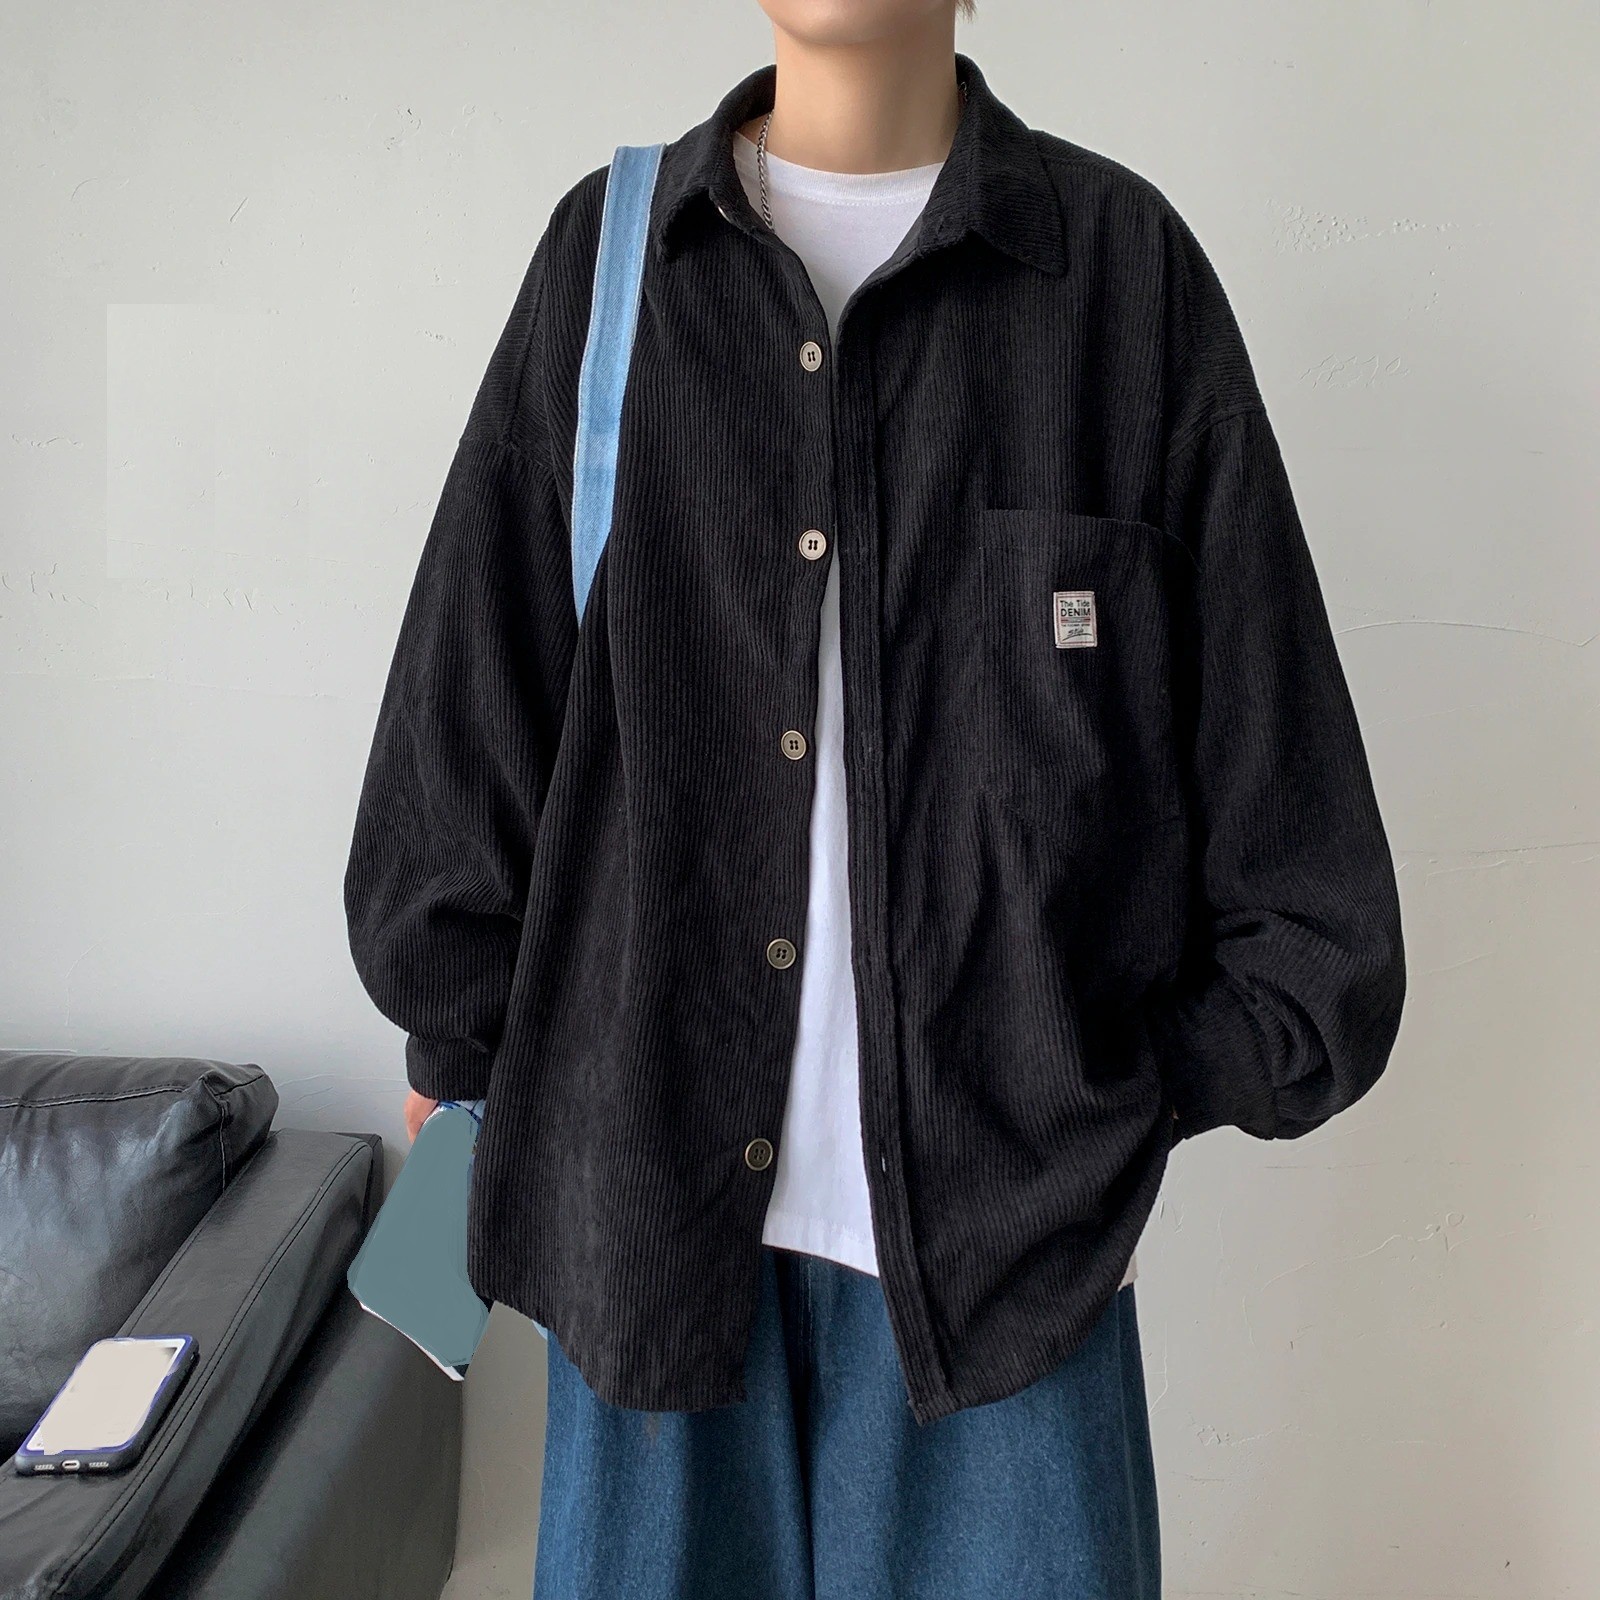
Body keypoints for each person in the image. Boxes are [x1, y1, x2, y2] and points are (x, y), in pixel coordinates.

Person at [344, 2, 1407, 1596]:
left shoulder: (1120, 279)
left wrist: (1094, 1105)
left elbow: (1304, 877)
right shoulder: (609, 268)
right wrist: (476, 1053)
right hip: (648, 1271)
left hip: (1009, 1304)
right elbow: (459, 760)